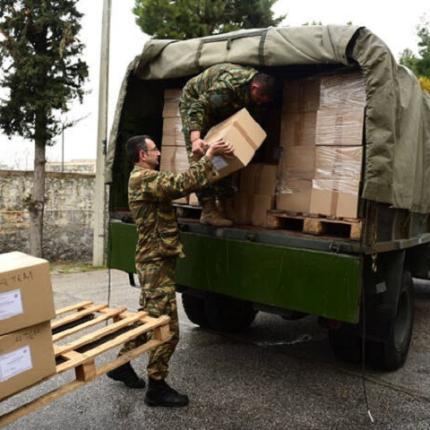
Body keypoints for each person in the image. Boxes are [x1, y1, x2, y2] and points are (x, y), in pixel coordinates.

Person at [107, 134, 233, 407]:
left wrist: (204, 159)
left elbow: (180, 182)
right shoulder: (143, 179)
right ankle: (157, 387)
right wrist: (209, 157)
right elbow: (180, 184)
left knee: (148, 319)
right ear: (142, 155)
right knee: (168, 328)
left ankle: (121, 364)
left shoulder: (146, 179)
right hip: (155, 262)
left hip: (155, 260)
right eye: (154, 150)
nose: (159, 154)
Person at [180, 62, 275, 227]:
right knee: (201, 153)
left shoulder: (254, 91)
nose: (260, 102)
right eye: (259, 98)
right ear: (254, 88)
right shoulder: (229, 86)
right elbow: (198, 107)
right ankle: (208, 210)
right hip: (195, 103)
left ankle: (224, 203)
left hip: (220, 107)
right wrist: (195, 139)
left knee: (228, 150)